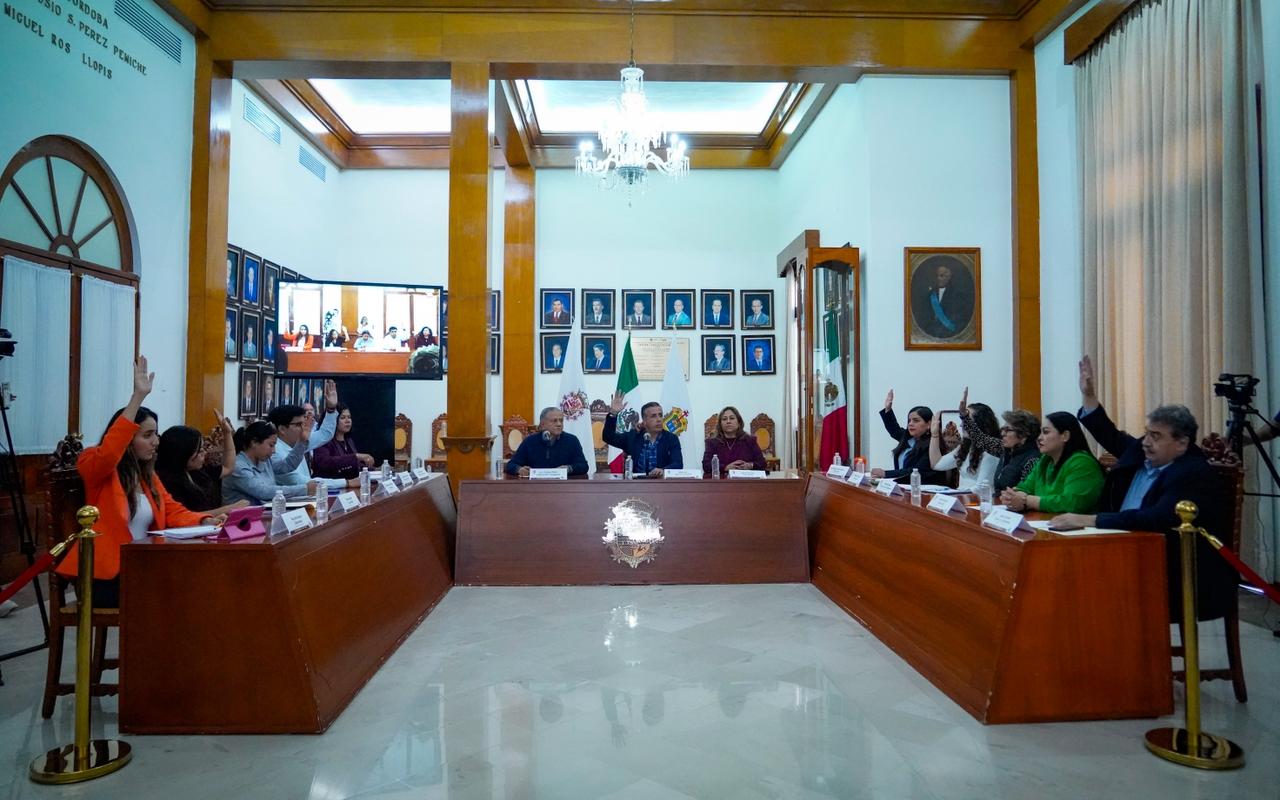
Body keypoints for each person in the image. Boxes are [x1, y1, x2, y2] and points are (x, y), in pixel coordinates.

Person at [1050, 356, 1239, 620]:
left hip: (1171, 569)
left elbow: (1157, 518)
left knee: (1076, 584)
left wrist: (1088, 519)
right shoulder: (1144, 453)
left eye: (1156, 436)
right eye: (1147, 433)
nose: (1146, 442)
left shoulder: (1191, 472)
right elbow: (1109, 434)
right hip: (1125, 549)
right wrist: (1089, 395)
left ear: (1182, 443)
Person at [57, 357, 225, 607]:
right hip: (106, 576)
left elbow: (172, 511)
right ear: (126, 438)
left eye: (156, 434)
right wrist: (137, 398)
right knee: (183, 596)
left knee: (202, 585)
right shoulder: (95, 464)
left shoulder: (146, 476)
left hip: (141, 566)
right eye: (147, 435)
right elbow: (110, 452)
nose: (156, 441)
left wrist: (205, 520)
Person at [1000, 411, 1103, 513]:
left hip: (1080, 527)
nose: (1039, 438)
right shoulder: (1045, 460)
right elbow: (1025, 487)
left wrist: (1026, 500)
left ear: (1065, 436)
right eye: (1040, 432)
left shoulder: (1082, 462)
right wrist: (1012, 497)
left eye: (1046, 432)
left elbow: (1071, 503)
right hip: (1046, 521)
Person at [156, 411, 250, 515]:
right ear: (183, 453)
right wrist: (229, 508)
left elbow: (228, 467)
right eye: (199, 451)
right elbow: (184, 516)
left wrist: (227, 433)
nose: (204, 453)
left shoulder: (199, 471)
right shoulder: (166, 481)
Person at [271, 383, 357, 491]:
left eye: (304, 423)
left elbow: (324, 434)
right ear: (282, 429)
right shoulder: (275, 452)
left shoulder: (297, 442)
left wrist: (331, 409)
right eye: (298, 425)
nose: (304, 428)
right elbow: (304, 482)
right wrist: (347, 482)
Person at [222, 420, 315, 504]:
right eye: (271, 445)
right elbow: (262, 491)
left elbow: (287, 466)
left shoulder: (264, 460)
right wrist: (304, 489)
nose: (274, 451)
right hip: (240, 519)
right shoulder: (238, 466)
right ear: (254, 442)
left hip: (266, 512)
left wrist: (302, 441)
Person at [957, 405, 1042, 493]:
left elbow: (1025, 492)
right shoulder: (1005, 449)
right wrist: (965, 416)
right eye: (1002, 429)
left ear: (1024, 435)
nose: (1002, 433)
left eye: (1007, 430)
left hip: (1013, 504)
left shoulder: (1033, 459)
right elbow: (980, 439)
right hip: (998, 503)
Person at [926, 389, 1000, 490]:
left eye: (967, 420)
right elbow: (937, 464)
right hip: (963, 498)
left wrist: (954, 494)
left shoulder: (992, 450)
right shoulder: (966, 446)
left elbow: (982, 489)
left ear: (980, 423)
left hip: (979, 502)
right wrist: (934, 435)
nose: (961, 425)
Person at [871, 390, 947, 484]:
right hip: (904, 487)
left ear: (929, 424)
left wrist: (885, 474)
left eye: (916, 420)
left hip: (925, 490)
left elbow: (916, 471)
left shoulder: (933, 445)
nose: (910, 424)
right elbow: (894, 429)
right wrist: (888, 410)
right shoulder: (908, 438)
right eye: (909, 420)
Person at [603, 394, 683, 477]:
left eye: (660, 415)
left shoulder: (671, 438)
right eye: (653, 416)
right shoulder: (633, 437)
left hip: (661, 484)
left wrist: (663, 470)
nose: (659, 419)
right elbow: (608, 437)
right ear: (644, 420)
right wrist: (613, 414)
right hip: (635, 485)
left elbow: (678, 464)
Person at [505, 407, 590, 477]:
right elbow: (510, 465)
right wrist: (519, 469)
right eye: (554, 421)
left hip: (563, 489)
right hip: (535, 489)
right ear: (542, 424)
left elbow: (583, 466)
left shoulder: (572, 440)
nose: (559, 424)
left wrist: (569, 468)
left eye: (561, 420)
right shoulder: (530, 441)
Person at [912, 260, 974, 339]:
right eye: (937, 276)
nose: (938, 278)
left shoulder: (958, 295)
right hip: (930, 334)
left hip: (949, 334)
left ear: (949, 277)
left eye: (941, 276)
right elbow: (923, 317)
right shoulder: (929, 295)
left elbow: (961, 319)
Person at [312, 405, 376, 480]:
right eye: (343, 418)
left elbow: (353, 465)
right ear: (333, 420)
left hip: (349, 485)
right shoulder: (323, 440)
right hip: (328, 486)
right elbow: (325, 463)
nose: (348, 421)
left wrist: (373, 469)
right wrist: (356, 457)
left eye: (349, 417)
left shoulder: (348, 440)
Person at [702, 406, 766, 477]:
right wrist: (726, 467)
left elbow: (762, 463)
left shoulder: (750, 441)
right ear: (720, 424)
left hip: (745, 483)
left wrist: (750, 465)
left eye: (732, 418)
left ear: (739, 423)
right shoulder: (712, 442)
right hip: (721, 484)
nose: (728, 421)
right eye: (724, 419)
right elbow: (706, 465)